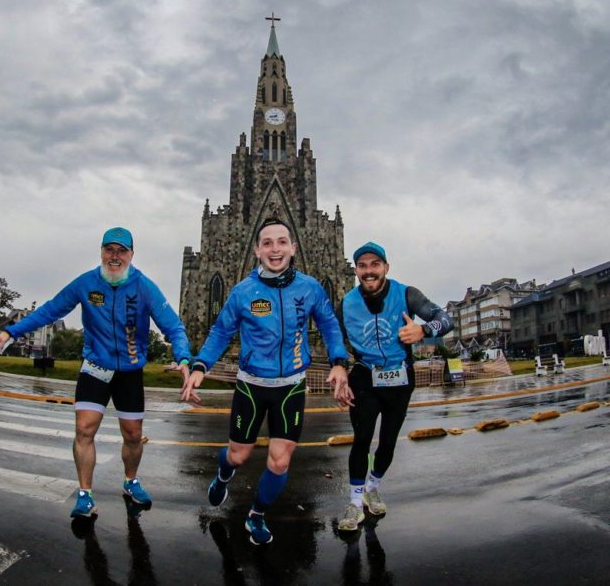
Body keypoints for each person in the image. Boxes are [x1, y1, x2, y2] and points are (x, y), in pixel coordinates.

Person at [0, 227, 192, 519]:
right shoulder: (86, 283)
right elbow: (50, 310)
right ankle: (85, 494)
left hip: (129, 371)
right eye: (109, 250)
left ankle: (131, 480)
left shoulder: (144, 287)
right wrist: (12, 331)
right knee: (84, 430)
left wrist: (184, 358)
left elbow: (173, 326)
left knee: (133, 435)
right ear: (101, 251)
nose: (115, 256)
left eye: (121, 251)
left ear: (131, 254)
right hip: (95, 367)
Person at [181, 217, 349, 545]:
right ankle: (223, 475)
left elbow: (329, 323)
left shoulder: (310, 287)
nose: (275, 249)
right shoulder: (243, 292)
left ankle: (256, 515)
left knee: (280, 460)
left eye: (282, 242)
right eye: (267, 243)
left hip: (291, 386)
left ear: (293, 247)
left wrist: (339, 362)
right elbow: (221, 331)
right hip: (252, 385)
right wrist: (201, 365)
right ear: (257, 250)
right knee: (238, 455)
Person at [333, 242, 454, 531]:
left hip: (400, 377)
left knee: (388, 441)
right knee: (362, 439)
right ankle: (355, 502)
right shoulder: (346, 304)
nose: (369, 271)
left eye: (375, 264)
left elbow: (445, 319)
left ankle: (373, 486)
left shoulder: (406, 294)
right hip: (365, 375)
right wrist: (337, 366)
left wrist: (423, 330)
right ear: (356, 271)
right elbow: (333, 338)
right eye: (362, 266)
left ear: (386, 267)